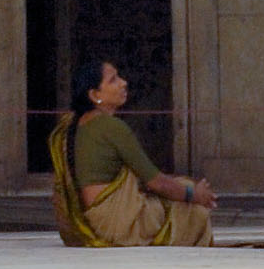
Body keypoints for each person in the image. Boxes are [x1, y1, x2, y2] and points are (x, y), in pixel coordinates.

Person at [45, 57, 217, 247]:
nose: (123, 83)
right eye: (113, 80)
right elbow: (156, 182)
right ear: (95, 95)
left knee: (178, 189)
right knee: (194, 210)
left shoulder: (72, 126)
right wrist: (195, 195)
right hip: (117, 225)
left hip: (83, 226)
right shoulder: (111, 127)